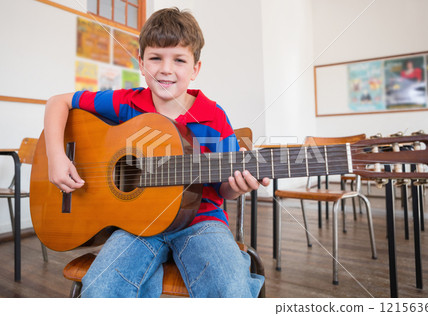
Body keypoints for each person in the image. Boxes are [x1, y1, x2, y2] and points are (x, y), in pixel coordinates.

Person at [44, 7, 269, 298]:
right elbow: (57, 102)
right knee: (101, 287)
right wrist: (56, 157)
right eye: (155, 58)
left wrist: (236, 188)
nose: (166, 69)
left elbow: (224, 189)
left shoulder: (212, 117)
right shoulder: (126, 103)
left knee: (230, 288)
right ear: (141, 62)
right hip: (134, 225)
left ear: (195, 69)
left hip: (201, 222)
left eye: (179, 59)